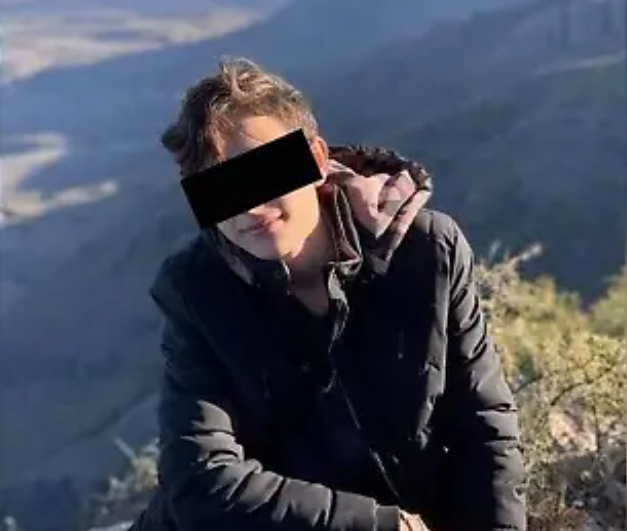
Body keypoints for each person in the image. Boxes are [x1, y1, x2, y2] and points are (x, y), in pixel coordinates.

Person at [129, 58, 526, 531]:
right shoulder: (197, 291)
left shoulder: (425, 253)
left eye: (261, 172)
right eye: (220, 189)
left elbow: (483, 426)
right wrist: (378, 526)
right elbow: (201, 481)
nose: (249, 206)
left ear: (316, 159)